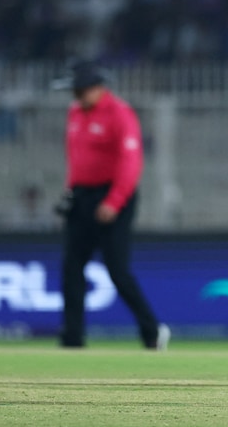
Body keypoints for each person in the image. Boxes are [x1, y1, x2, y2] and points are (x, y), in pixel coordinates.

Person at [52, 60, 170, 350]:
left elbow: (131, 162)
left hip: (112, 197)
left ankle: (152, 331)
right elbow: (76, 157)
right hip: (81, 196)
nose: (75, 96)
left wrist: (114, 200)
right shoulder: (75, 112)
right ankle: (72, 338)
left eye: (79, 90)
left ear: (96, 87)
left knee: (117, 270)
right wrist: (70, 191)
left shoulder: (119, 113)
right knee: (71, 268)